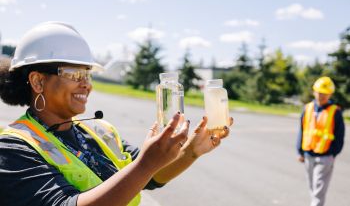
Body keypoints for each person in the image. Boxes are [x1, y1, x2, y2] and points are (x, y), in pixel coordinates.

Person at [0, 22, 232, 206]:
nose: (86, 84)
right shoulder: (12, 149)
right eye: (74, 74)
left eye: (87, 74)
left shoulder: (100, 131)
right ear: (38, 81)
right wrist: (145, 165)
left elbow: (151, 177)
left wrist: (191, 151)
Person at [297, 76, 345, 206]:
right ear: (314, 92)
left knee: (319, 191)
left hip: (325, 157)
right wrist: (300, 152)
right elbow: (303, 130)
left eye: (325, 93)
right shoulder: (308, 108)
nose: (321, 96)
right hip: (308, 154)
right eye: (319, 92)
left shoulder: (335, 112)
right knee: (312, 187)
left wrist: (332, 154)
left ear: (330, 94)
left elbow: (340, 136)